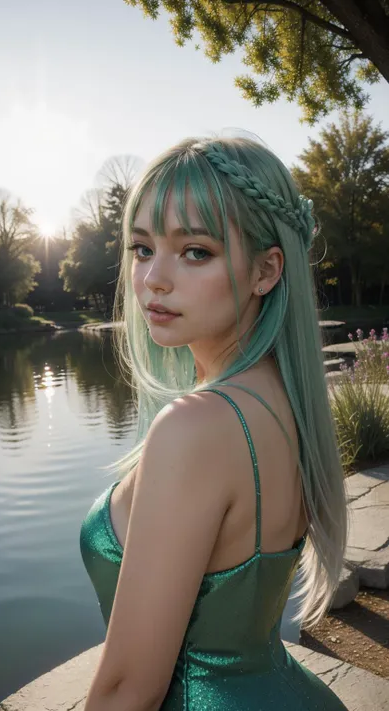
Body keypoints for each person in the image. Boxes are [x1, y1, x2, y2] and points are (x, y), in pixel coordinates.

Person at [80, 135, 349, 710]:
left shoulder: (197, 426)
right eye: (142, 247)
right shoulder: (287, 397)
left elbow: (128, 690)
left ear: (266, 270)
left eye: (195, 250)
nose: (154, 278)